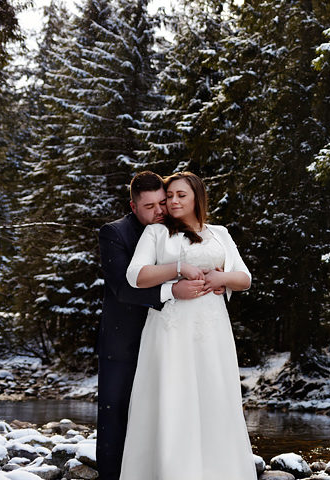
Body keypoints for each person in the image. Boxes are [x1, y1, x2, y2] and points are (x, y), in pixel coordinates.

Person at [120, 171, 255, 480]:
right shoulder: (156, 233)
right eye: (170, 196)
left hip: (212, 328)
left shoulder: (219, 233)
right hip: (171, 327)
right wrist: (177, 268)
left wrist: (222, 278)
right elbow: (135, 275)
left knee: (214, 395)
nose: (173, 201)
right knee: (173, 395)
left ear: (197, 198)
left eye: (181, 195)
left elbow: (244, 279)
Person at [96, 171, 213, 480]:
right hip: (123, 342)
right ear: (133, 207)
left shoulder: (174, 228)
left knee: (158, 413)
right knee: (115, 416)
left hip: (166, 337)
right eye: (149, 206)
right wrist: (171, 290)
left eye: (162, 202)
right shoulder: (115, 233)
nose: (160, 210)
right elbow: (123, 288)